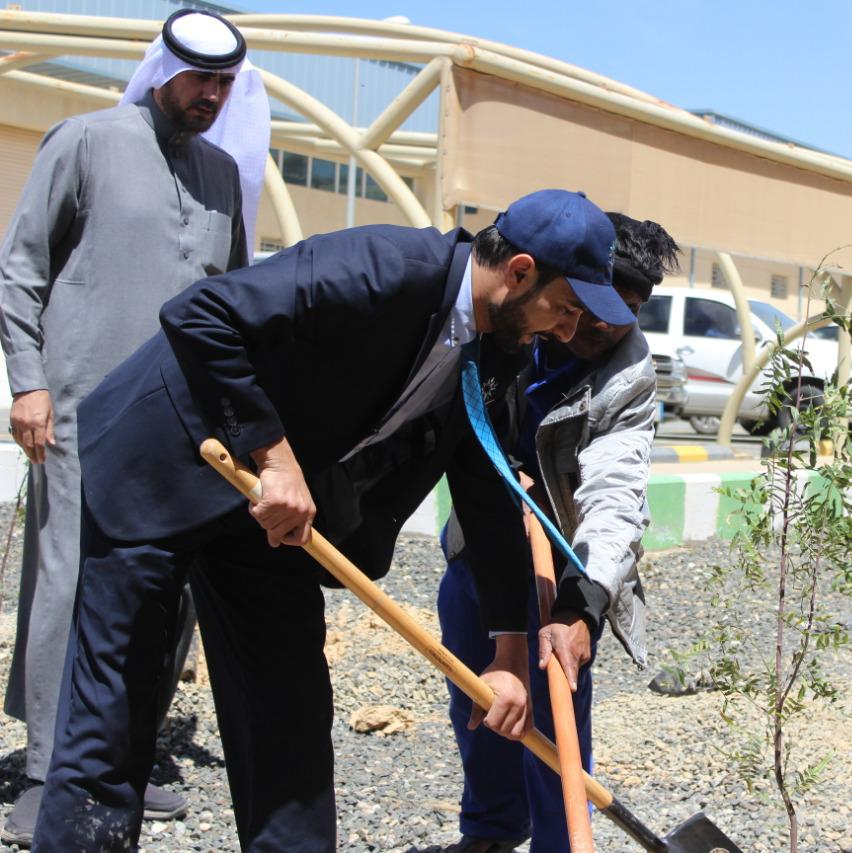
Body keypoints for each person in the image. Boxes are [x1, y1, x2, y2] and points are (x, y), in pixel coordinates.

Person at [31, 188, 635, 852]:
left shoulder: (499, 355)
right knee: (116, 703)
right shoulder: (385, 264)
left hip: (270, 516)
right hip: (165, 462)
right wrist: (275, 456)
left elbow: (487, 494)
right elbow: (201, 314)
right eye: (566, 306)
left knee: (287, 715)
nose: (570, 330)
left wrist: (510, 654)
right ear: (519, 272)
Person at [0, 9, 270, 843]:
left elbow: (230, 303)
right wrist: (29, 386)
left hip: (181, 429)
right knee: (68, 583)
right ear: (163, 71)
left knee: (166, 592)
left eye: (223, 84)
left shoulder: (224, 174)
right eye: (198, 79)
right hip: (80, 411)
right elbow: (21, 269)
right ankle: (50, 771)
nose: (211, 95)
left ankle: (123, 755)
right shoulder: (84, 140)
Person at [437, 213, 679, 853]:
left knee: (557, 711)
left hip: (564, 564)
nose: (604, 325)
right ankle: (490, 829)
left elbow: (615, 497)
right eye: (594, 305)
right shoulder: (515, 319)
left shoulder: (630, 373)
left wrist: (583, 604)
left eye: (627, 310)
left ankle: (562, 843)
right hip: (477, 550)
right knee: (484, 701)